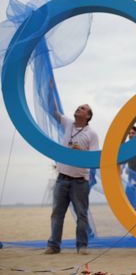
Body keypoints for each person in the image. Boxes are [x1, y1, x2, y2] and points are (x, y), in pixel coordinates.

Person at [45, 103, 99, 255]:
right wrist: (48, 87)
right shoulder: (68, 123)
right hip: (62, 178)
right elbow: (53, 111)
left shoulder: (92, 134)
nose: (78, 108)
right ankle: (53, 246)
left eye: (83, 108)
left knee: (81, 214)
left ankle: (82, 246)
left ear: (88, 116)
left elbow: (94, 158)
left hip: (80, 180)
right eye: (78, 107)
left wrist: (81, 151)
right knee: (57, 213)